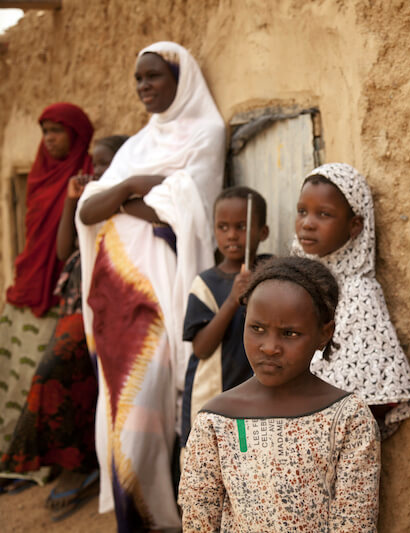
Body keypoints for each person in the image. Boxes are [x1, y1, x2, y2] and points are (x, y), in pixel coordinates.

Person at [76, 41, 225, 532]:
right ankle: (139, 521)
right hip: (113, 289)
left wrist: (123, 198)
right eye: (139, 78)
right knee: (121, 408)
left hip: (163, 288)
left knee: (151, 404)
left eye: (154, 76)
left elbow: (187, 213)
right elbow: (88, 210)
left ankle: (165, 517)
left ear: (180, 78)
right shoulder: (138, 145)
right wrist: (130, 185)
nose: (144, 87)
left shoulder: (207, 132)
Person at [179, 256, 380, 531]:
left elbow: (355, 523)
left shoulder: (348, 419)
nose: (270, 347)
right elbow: (198, 523)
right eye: (257, 329)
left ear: (324, 334)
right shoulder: (215, 422)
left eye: (290, 333)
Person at [0, 135, 127, 520]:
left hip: (113, 303)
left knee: (97, 381)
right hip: (76, 301)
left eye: (107, 163)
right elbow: (62, 252)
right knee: (56, 372)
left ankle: (87, 464)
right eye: (96, 163)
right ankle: (71, 462)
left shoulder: (130, 201)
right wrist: (74, 199)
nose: (99, 171)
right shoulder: (90, 199)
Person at [0, 103, 94, 495]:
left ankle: (39, 462)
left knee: (43, 379)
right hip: (26, 289)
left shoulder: (88, 173)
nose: (50, 138)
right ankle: (12, 456)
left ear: (76, 134)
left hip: (64, 297)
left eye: (57, 130)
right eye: (45, 131)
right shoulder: (39, 175)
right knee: (12, 378)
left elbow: (66, 247)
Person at [292, 163, 410, 439]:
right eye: (302, 211)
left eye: (324, 214)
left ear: (354, 227)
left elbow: (368, 393)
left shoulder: (358, 293)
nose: (307, 223)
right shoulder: (294, 284)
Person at [180, 186, 271, 446]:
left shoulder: (272, 273)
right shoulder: (206, 284)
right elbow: (201, 347)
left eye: (241, 226)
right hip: (213, 393)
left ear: (262, 232)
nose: (232, 235)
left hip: (258, 396)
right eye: (223, 227)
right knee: (211, 461)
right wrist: (232, 300)